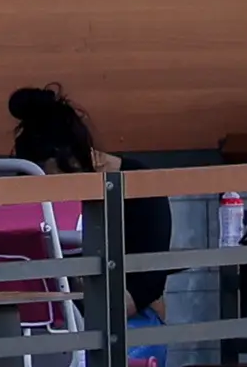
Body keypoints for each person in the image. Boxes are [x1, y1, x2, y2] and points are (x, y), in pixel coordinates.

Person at [10, 84, 172, 319]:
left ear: (75, 160)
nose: (59, 197)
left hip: (124, 310)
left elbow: (148, 281)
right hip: (53, 314)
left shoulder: (138, 185)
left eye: (59, 183)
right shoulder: (31, 190)